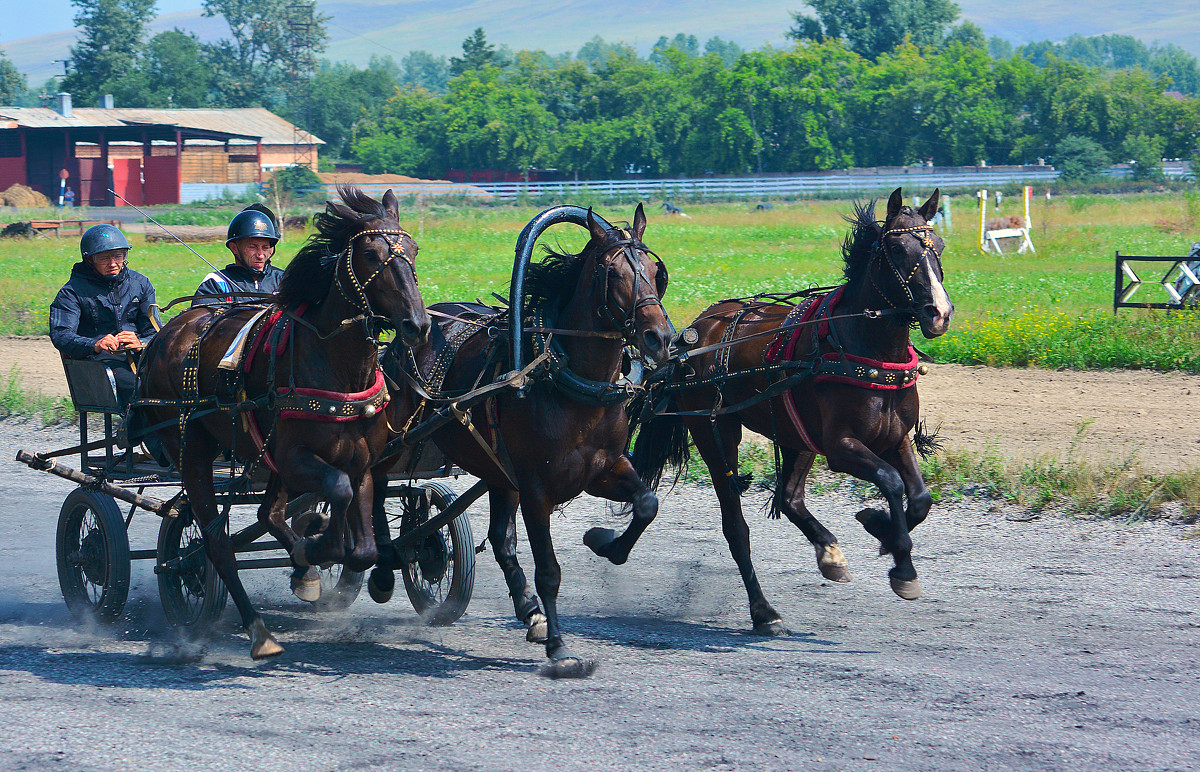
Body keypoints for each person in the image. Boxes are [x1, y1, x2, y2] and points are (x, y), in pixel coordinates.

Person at [49, 224, 158, 407]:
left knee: (180, 384)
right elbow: (61, 335)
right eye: (104, 258)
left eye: (118, 256)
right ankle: (139, 434)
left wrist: (141, 343)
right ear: (90, 259)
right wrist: (95, 345)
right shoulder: (72, 292)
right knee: (141, 389)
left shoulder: (141, 283)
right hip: (98, 364)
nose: (113, 263)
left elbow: (154, 330)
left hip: (141, 358)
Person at [192, 203, 283, 306]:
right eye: (252, 247)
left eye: (265, 248)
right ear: (234, 248)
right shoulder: (216, 283)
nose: (260, 255)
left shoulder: (286, 281)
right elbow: (202, 320)